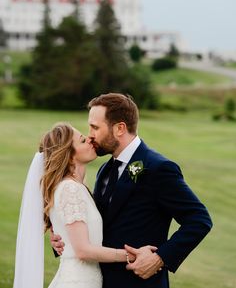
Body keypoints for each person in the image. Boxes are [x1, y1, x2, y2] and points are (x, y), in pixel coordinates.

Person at [51, 93, 213, 288]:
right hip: (101, 281)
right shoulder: (105, 170)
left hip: (140, 283)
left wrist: (160, 257)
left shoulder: (158, 168)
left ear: (119, 128)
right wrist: (65, 240)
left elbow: (199, 219)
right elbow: (99, 222)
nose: (90, 134)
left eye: (95, 127)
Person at [13, 122, 141, 288]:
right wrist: (131, 255)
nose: (89, 139)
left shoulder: (76, 187)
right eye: (82, 140)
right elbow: (83, 251)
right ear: (69, 154)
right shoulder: (69, 189)